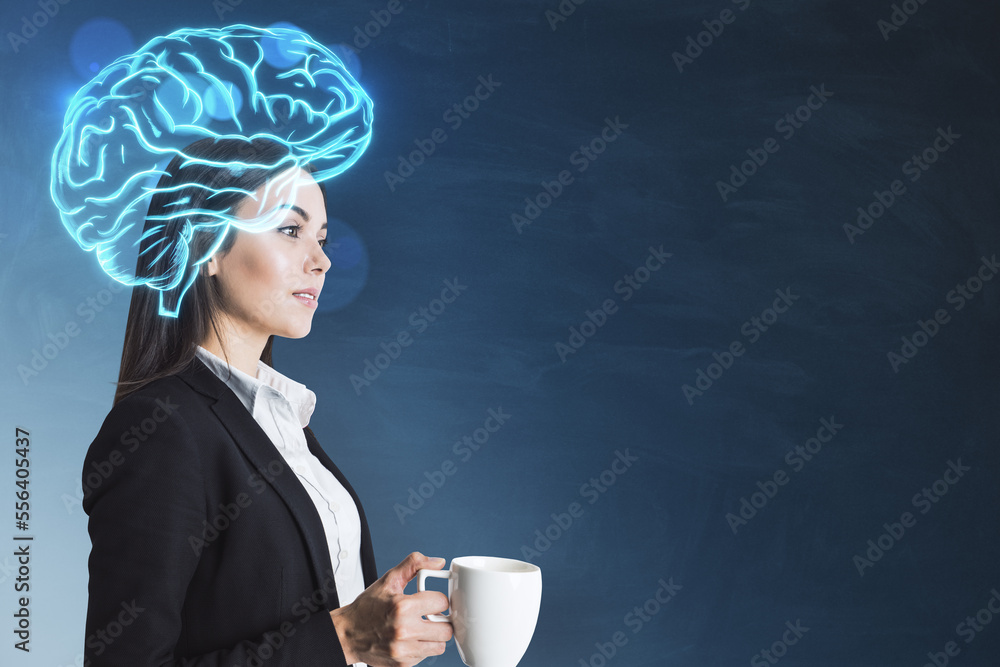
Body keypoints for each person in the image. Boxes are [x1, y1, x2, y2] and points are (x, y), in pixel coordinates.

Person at [81, 136, 453, 666]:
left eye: (321, 237)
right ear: (205, 247)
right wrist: (346, 637)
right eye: (289, 229)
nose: (321, 260)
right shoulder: (160, 428)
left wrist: (371, 618)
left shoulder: (281, 419)